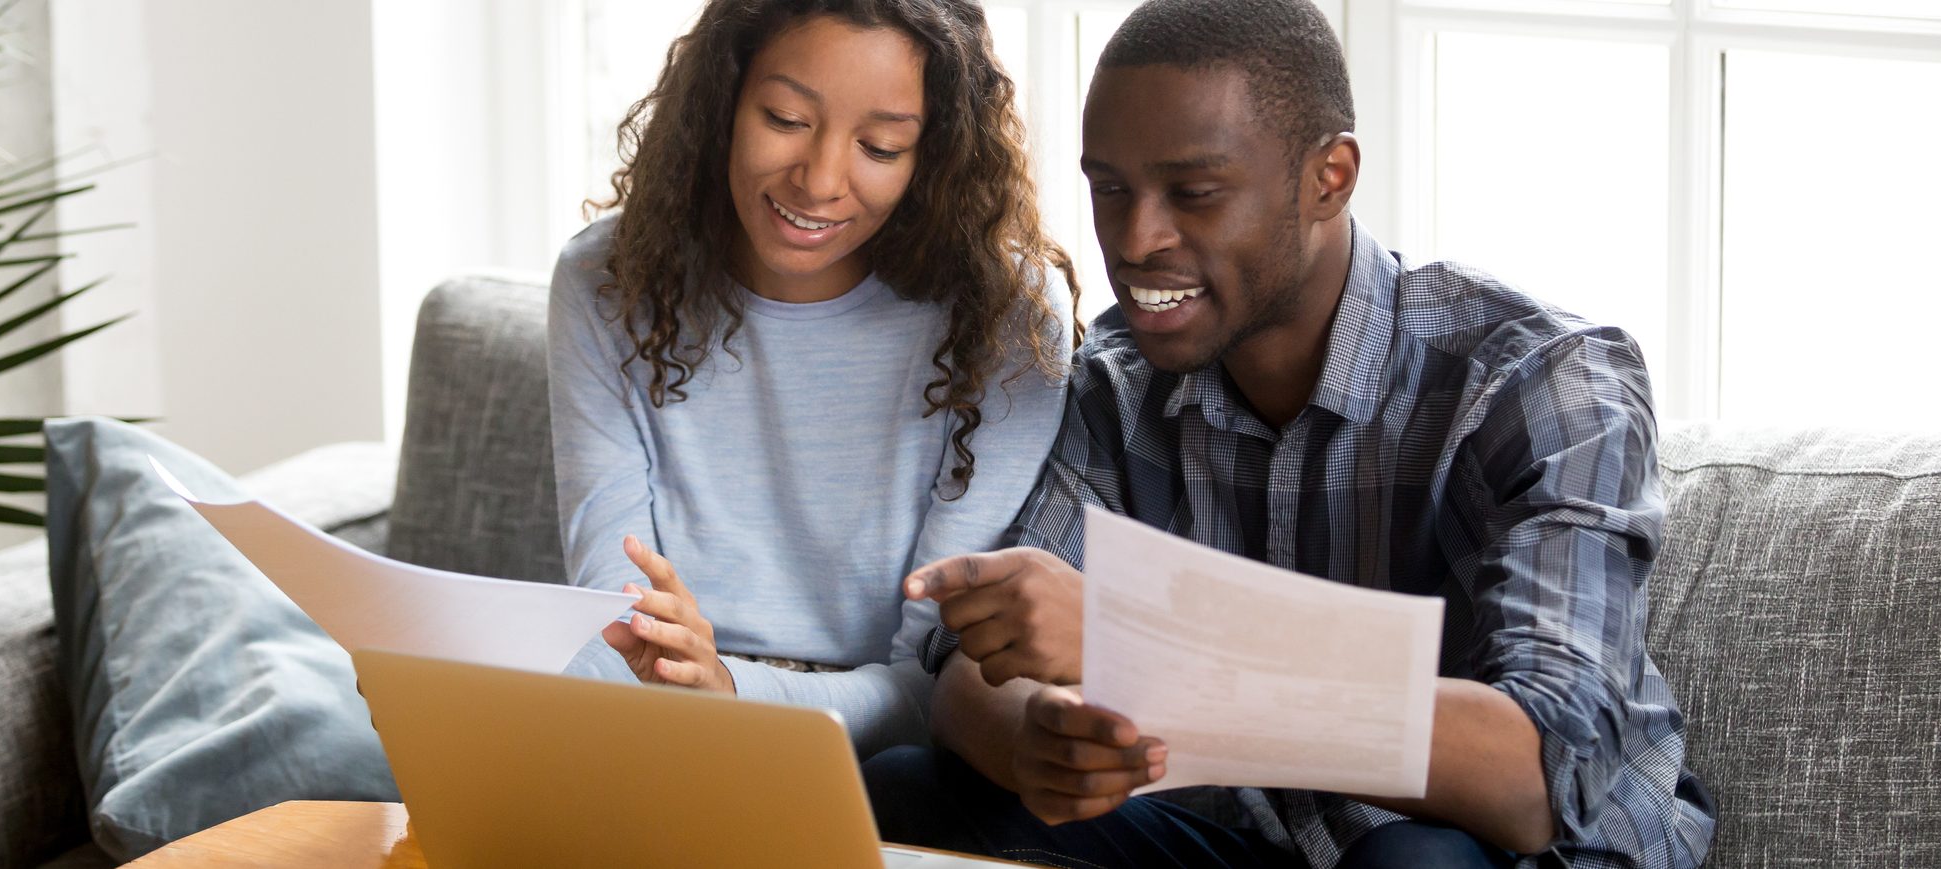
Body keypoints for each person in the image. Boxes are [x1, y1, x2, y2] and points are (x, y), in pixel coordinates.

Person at [860, 0, 1717, 865]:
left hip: (1508, 848)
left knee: (1413, 862)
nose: (1134, 237)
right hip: (1262, 844)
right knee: (909, 786)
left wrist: (1150, 650)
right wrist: (1031, 737)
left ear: (1329, 177)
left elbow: (1538, 777)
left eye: (1193, 193)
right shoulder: (1119, 378)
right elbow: (971, 670)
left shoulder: (1541, 378)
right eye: (1109, 189)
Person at [546, 0, 1079, 757]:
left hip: (870, 747)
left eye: (880, 146)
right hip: (649, 718)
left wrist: (728, 690)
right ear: (723, 102)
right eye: (786, 119)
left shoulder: (1008, 318)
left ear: (933, 156)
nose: (821, 180)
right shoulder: (608, 278)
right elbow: (611, 608)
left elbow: (935, 681)